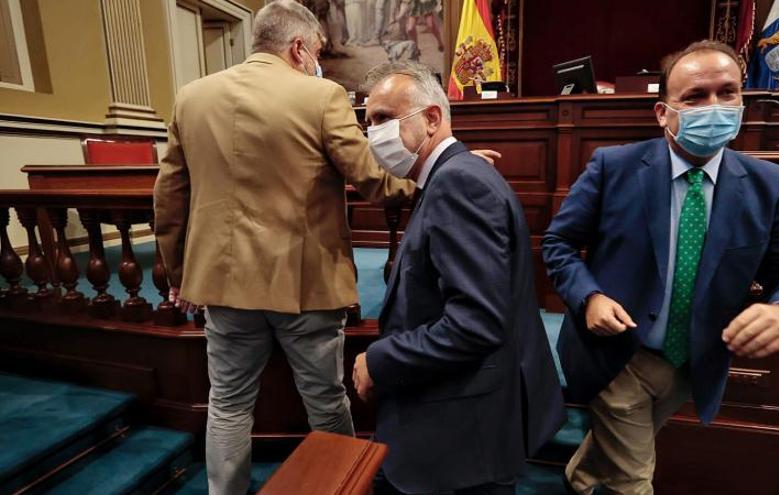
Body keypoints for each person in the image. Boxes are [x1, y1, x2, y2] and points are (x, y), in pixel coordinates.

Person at [542, 40, 779, 495]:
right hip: (615, 353)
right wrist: (588, 295)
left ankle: (578, 478)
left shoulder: (769, 185)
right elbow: (558, 243)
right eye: (695, 97)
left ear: (742, 100)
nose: (713, 106)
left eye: (727, 92)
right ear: (663, 112)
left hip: (690, 359)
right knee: (634, 480)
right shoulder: (612, 167)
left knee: (621, 446)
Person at [153, 2, 415, 493]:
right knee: (325, 399)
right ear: (298, 47)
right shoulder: (321, 96)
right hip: (306, 283)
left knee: (228, 405)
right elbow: (370, 179)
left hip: (223, 286)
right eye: (316, 49)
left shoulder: (192, 97)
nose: (317, 59)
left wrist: (179, 272)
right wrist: (430, 179)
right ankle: (337, 487)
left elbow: (169, 194)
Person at [351, 61, 565, 495]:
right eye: (368, 122)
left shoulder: (459, 184)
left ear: (432, 119)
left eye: (384, 119)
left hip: (462, 433)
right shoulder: (453, 176)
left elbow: (475, 323)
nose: (373, 134)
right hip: (461, 415)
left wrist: (380, 359)